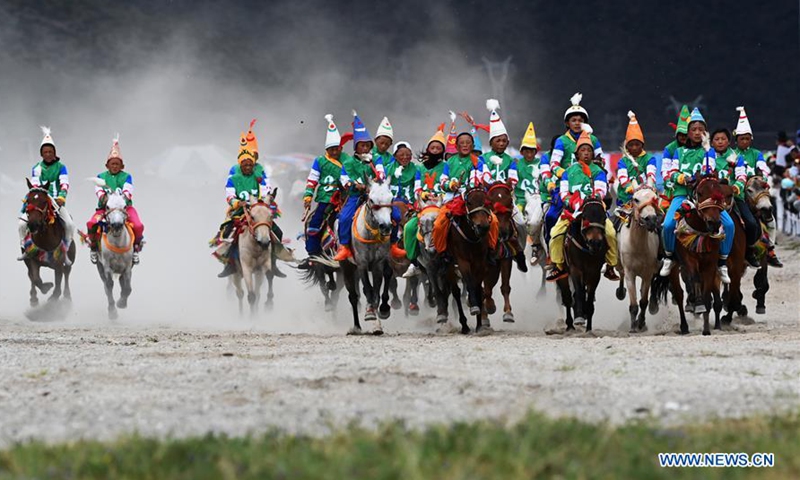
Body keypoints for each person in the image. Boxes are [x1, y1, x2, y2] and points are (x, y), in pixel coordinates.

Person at [659, 108, 733, 283]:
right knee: (668, 224)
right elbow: (670, 173)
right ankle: (669, 257)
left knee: (729, 225)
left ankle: (722, 263)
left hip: (706, 198)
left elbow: (711, 171)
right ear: (688, 132)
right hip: (682, 195)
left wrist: (705, 175)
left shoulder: (710, 152)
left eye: (701, 129)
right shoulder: (679, 152)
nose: (698, 132)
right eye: (694, 129)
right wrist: (683, 178)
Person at [546, 124, 618, 282]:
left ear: (593, 153)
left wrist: (590, 201)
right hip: (573, 212)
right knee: (555, 234)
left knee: (611, 234)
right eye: (583, 150)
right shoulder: (568, 172)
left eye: (589, 150)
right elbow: (564, 193)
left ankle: (611, 266)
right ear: (577, 153)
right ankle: (558, 267)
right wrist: (573, 203)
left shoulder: (599, 172)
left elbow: (600, 191)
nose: (586, 153)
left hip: (595, 212)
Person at [214, 122, 286, 278]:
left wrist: (266, 199)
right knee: (228, 233)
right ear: (241, 163)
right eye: (245, 163)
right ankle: (230, 264)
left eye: (251, 163)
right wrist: (236, 202)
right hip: (241, 210)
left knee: (277, 231)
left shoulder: (259, 171)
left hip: (258, 208)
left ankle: (273, 263)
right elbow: (229, 194)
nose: (249, 165)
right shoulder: (234, 175)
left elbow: (266, 187)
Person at [333, 111, 396, 261]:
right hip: (356, 196)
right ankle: (345, 247)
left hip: (375, 196)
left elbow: (381, 173)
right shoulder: (348, 162)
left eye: (368, 146)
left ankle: (393, 245)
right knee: (344, 218)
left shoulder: (376, 159)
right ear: (356, 147)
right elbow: (343, 179)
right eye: (362, 145)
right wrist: (354, 184)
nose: (365, 148)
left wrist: (377, 177)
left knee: (396, 215)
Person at [545, 93, 603, 251]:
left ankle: (609, 259)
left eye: (580, 120)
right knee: (550, 216)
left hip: (589, 187)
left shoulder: (594, 140)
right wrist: (568, 174)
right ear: (567, 123)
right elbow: (554, 164)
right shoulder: (561, 141)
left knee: (606, 220)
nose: (577, 123)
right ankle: (551, 252)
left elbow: (601, 162)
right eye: (573, 120)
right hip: (566, 186)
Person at [18, 126, 76, 266]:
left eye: (50, 151)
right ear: (41, 154)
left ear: (54, 153)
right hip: (39, 202)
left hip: (56, 202)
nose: (48, 154)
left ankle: (65, 251)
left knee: (69, 224)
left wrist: (61, 197)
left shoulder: (61, 167)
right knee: (21, 224)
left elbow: (64, 184)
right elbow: (36, 186)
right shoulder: (36, 168)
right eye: (45, 152)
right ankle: (26, 248)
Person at [733, 107, 782, 267]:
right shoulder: (732, 154)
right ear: (736, 140)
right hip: (739, 190)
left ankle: (771, 249)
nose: (744, 141)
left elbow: (764, 168)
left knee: (768, 211)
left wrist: (763, 178)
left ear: (751, 139)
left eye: (747, 139)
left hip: (757, 188)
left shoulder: (757, 154)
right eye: (742, 139)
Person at [85, 135, 146, 265]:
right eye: (112, 163)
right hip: (105, 209)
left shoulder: (127, 177)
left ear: (122, 166)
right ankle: (94, 248)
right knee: (91, 223)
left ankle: (135, 249)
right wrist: (105, 198)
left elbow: (128, 192)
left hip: (125, 209)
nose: (114, 166)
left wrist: (120, 200)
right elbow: (99, 191)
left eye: (117, 164)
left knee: (139, 226)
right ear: (107, 165)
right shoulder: (101, 176)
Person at [297, 114, 347, 270]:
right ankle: (313, 255)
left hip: (345, 197)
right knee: (314, 223)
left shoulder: (348, 159)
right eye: (331, 149)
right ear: (326, 149)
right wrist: (307, 197)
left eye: (337, 149)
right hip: (326, 198)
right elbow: (312, 181)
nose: (334, 152)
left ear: (341, 147)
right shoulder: (319, 161)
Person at [483, 99, 526, 272]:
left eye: (504, 141)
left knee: (521, 223)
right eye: (497, 141)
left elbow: (514, 179)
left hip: (506, 199)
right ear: (491, 142)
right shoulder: (483, 159)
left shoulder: (511, 160)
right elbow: (483, 176)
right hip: (488, 201)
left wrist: (507, 184)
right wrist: (492, 185)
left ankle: (519, 252)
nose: (501, 143)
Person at [402, 125, 447, 277]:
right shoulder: (419, 168)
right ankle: (414, 263)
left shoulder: (445, 166)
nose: (435, 150)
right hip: (423, 207)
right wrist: (423, 195)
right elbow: (416, 189)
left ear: (442, 150)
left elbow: (445, 183)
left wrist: (439, 195)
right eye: (432, 147)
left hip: (441, 206)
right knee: (409, 228)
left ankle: (452, 260)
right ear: (428, 149)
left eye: (438, 148)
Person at [515, 121, 547, 262]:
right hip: (521, 200)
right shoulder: (516, 164)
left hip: (539, 198)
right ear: (522, 151)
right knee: (516, 221)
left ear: (536, 151)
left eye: (532, 150)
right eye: (526, 150)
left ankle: (536, 245)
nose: (529, 153)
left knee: (537, 221)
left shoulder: (542, 164)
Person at [615, 111, 657, 212]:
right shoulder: (623, 161)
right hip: (627, 199)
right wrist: (631, 188)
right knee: (616, 223)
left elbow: (651, 175)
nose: (634, 148)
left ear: (642, 145)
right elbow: (623, 178)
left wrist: (647, 188)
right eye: (631, 145)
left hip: (647, 197)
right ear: (626, 146)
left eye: (637, 144)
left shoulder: (650, 158)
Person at [385, 141, 417, 255]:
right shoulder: (387, 169)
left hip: (411, 202)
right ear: (394, 156)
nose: (405, 157)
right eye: (401, 155)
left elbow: (418, 187)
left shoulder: (416, 169)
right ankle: (393, 242)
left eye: (407, 154)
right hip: (391, 203)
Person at [661, 105, 690, 200]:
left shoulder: (699, 147)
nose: (683, 137)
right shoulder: (669, 148)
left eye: (686, 134)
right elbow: (665, 169)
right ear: (676, 134)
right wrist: (668, 180)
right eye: (680, 134)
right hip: (674, 184)